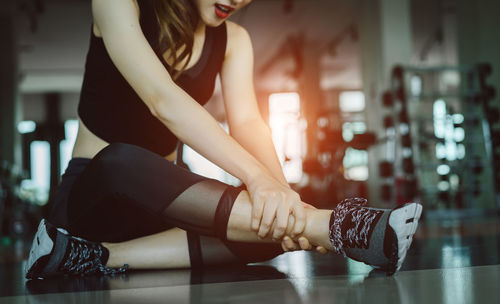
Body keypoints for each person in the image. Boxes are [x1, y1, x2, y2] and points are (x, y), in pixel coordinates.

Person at [24, 0, 422, 279]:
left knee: (272, 234)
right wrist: (259, 181)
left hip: (163, 209)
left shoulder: (235, 41)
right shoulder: (118, 3)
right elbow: (163, 101)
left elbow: (248, 122)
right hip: (96, 197)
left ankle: (92, 259)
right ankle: (337, 226)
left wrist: (282, 198)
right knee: (122, 159)